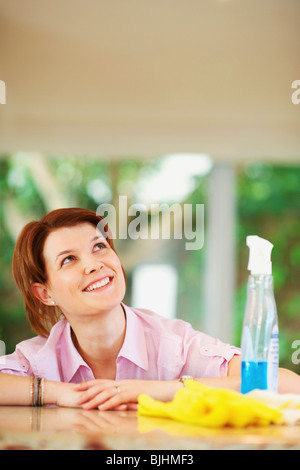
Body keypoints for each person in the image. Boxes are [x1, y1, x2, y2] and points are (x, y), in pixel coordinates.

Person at [0, 208, 299, 411]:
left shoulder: (174, 344)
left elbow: (284, 384)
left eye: (99, 247)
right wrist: (59, 393)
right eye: (68, 259)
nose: (94, 263)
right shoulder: (38, 361)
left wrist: (157, 391)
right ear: (45, 293)